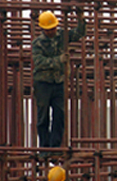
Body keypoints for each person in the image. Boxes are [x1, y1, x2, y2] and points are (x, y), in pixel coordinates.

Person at [32, 8, 86, 151]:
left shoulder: (62, 35)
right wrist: (58, 60)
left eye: (54, 28)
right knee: (43, 116)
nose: (52, 31)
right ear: (43, 29)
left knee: (59, 115)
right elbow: (39, 62)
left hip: (59, 82)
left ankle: (55, 147)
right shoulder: (37, 43)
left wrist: (81, 19)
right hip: (43, 83)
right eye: (49, 29)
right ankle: (44, 147)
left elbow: (79, 33)